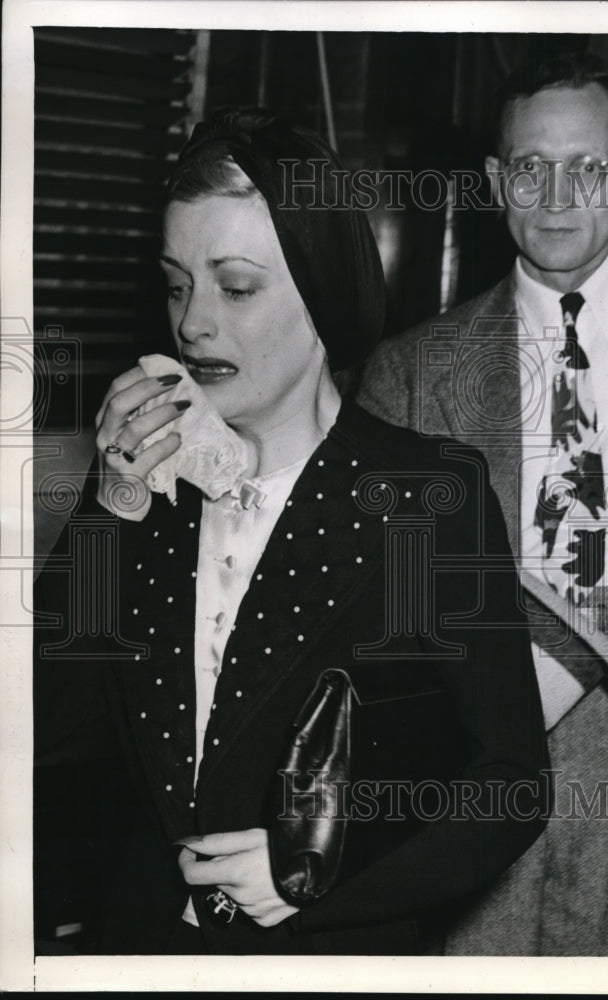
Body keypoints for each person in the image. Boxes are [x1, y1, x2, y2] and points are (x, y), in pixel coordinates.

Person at [33, 107, 549, 956]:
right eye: (176, 282)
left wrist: (315, 864)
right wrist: (112, 506)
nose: (193, 322)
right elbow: (46, 733)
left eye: (234, 286)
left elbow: (507, 787)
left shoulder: (423, 498)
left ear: (321, 288)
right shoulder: (146, 488)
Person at [358, 54, 608, 956]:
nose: (556, 194)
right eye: (529, 166)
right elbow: (375, 619)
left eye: (587, 168)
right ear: (493, 181)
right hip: (495, 781)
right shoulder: (410, 371)